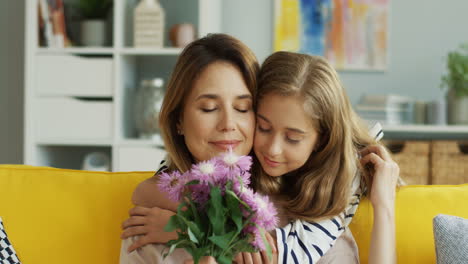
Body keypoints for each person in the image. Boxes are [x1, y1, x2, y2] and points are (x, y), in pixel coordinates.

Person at [240, 51, 398, 264]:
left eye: (293, 138)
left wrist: (384, 205)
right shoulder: (239, 171)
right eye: (264, 127)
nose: (273, 149)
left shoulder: (339, 178)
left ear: (321, 140)